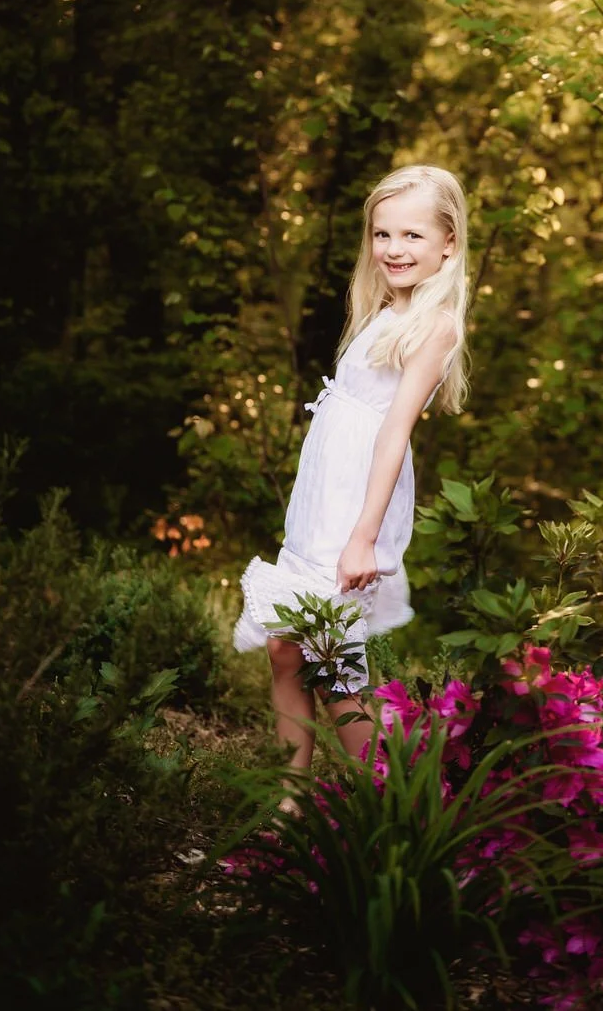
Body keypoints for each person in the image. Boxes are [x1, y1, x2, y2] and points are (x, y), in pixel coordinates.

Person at [232, 163, 469, 817]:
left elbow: (393, 431)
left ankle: (394, 807)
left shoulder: (436, 324)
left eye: (413, 235)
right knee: (287, 650)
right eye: (383, 234)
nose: (394, 248)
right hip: (323, 500)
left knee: (333, 665)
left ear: (448, 243)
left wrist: (363, 536)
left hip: (354, 509)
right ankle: (291, 805)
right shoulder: (388, 309)